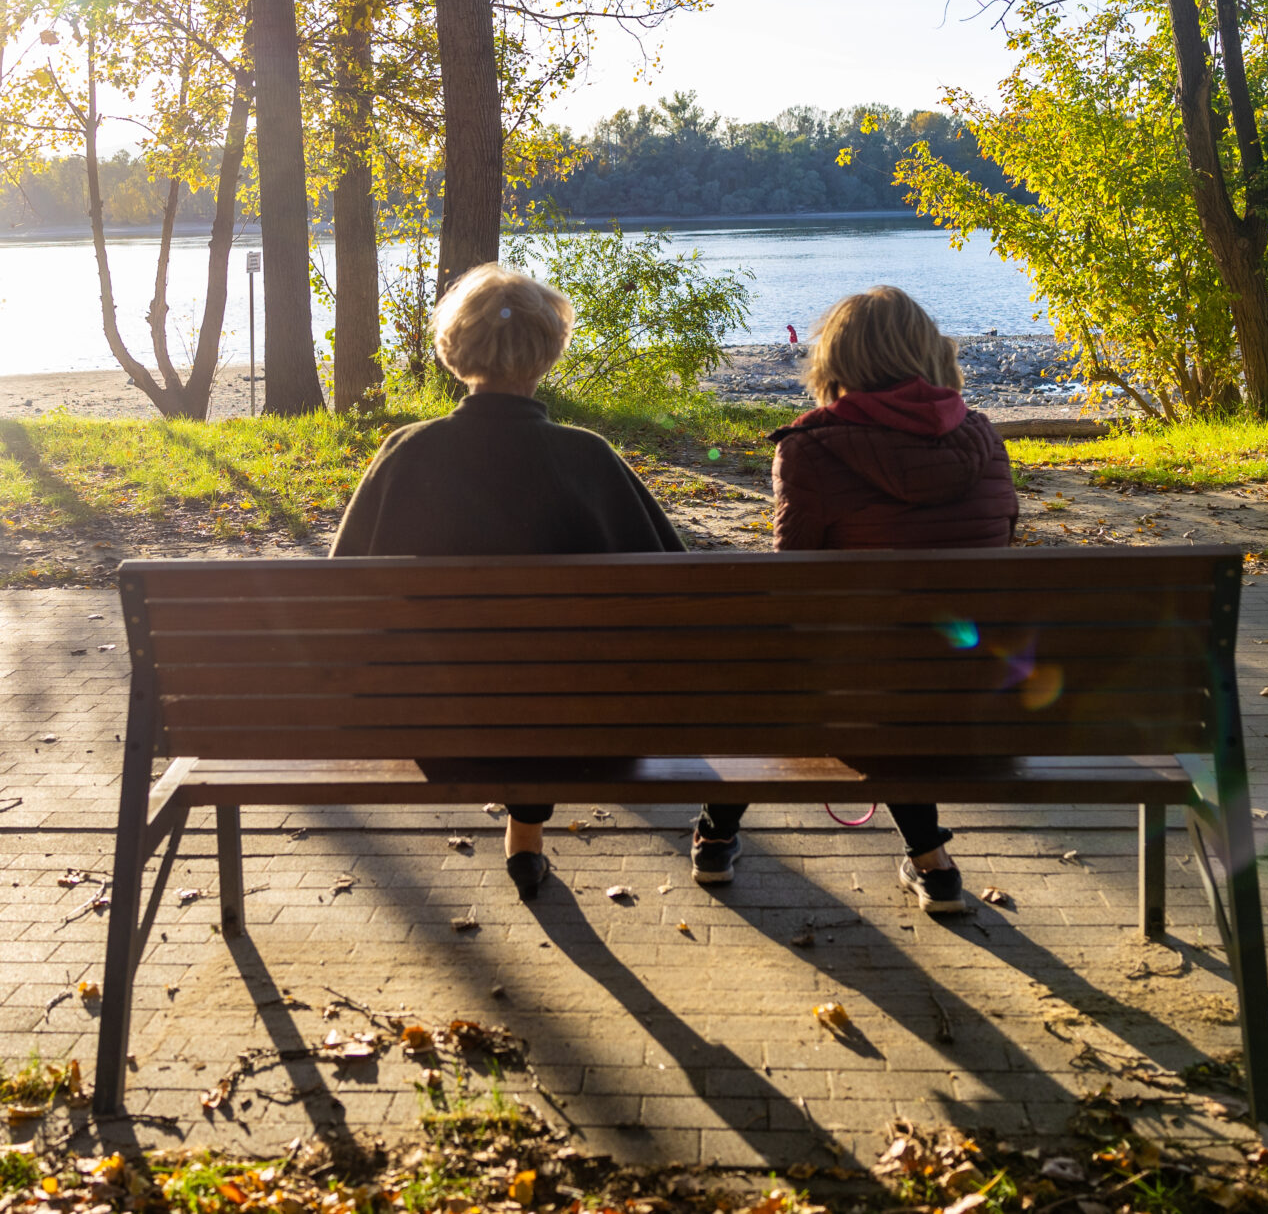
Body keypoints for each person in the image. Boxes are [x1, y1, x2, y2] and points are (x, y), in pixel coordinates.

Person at [331, 262, 685, 901]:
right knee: (548, 671)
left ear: (453, 348)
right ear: (547, 352)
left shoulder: (407, 453)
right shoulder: (589, 459)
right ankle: (526, 837)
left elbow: (338, 597)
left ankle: (525, 839)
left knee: (505, 670)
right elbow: (678, 591)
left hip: (431, 729)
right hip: (581, 733)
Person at [692, 285, 1017, 914]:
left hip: (852, 696)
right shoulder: (984, 439)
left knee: (787, 663)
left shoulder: (810, 448)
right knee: (899, 661)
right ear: (931, 355)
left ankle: (717, 832)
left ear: (835, 361)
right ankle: (931, 861)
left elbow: (794, 589)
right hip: (973, 697)